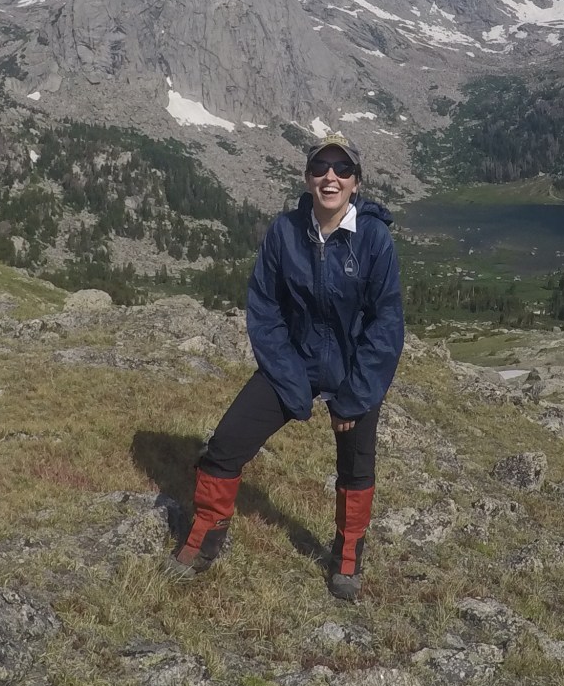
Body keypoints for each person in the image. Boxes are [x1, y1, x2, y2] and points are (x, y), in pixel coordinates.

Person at [167, 133, 404, 601]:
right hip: (292, 361)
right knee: (225, 446)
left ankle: (348, 554)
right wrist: (291, 381)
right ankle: (204, 539)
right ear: (307, 177)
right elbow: (265, 309)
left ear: (356, 183)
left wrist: (354, 397)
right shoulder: (284, 231)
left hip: (353, 368)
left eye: (342, 168)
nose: (330, 177)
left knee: (356, 467)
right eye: (321, 167)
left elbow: (386, 324)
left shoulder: (374, 238)